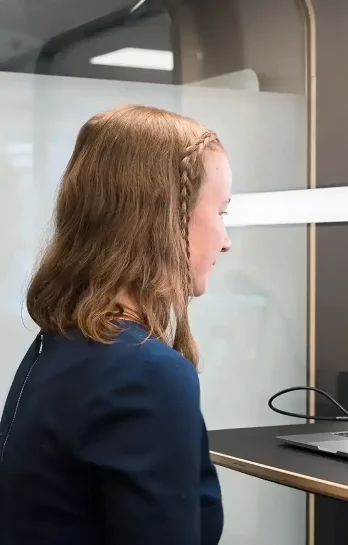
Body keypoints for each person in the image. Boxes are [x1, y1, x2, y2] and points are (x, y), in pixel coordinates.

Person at [0, 105, 231, 545]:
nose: (226, 239)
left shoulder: (58, 349)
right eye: (222, 212)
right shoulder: (145, 374)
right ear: (168, 217)